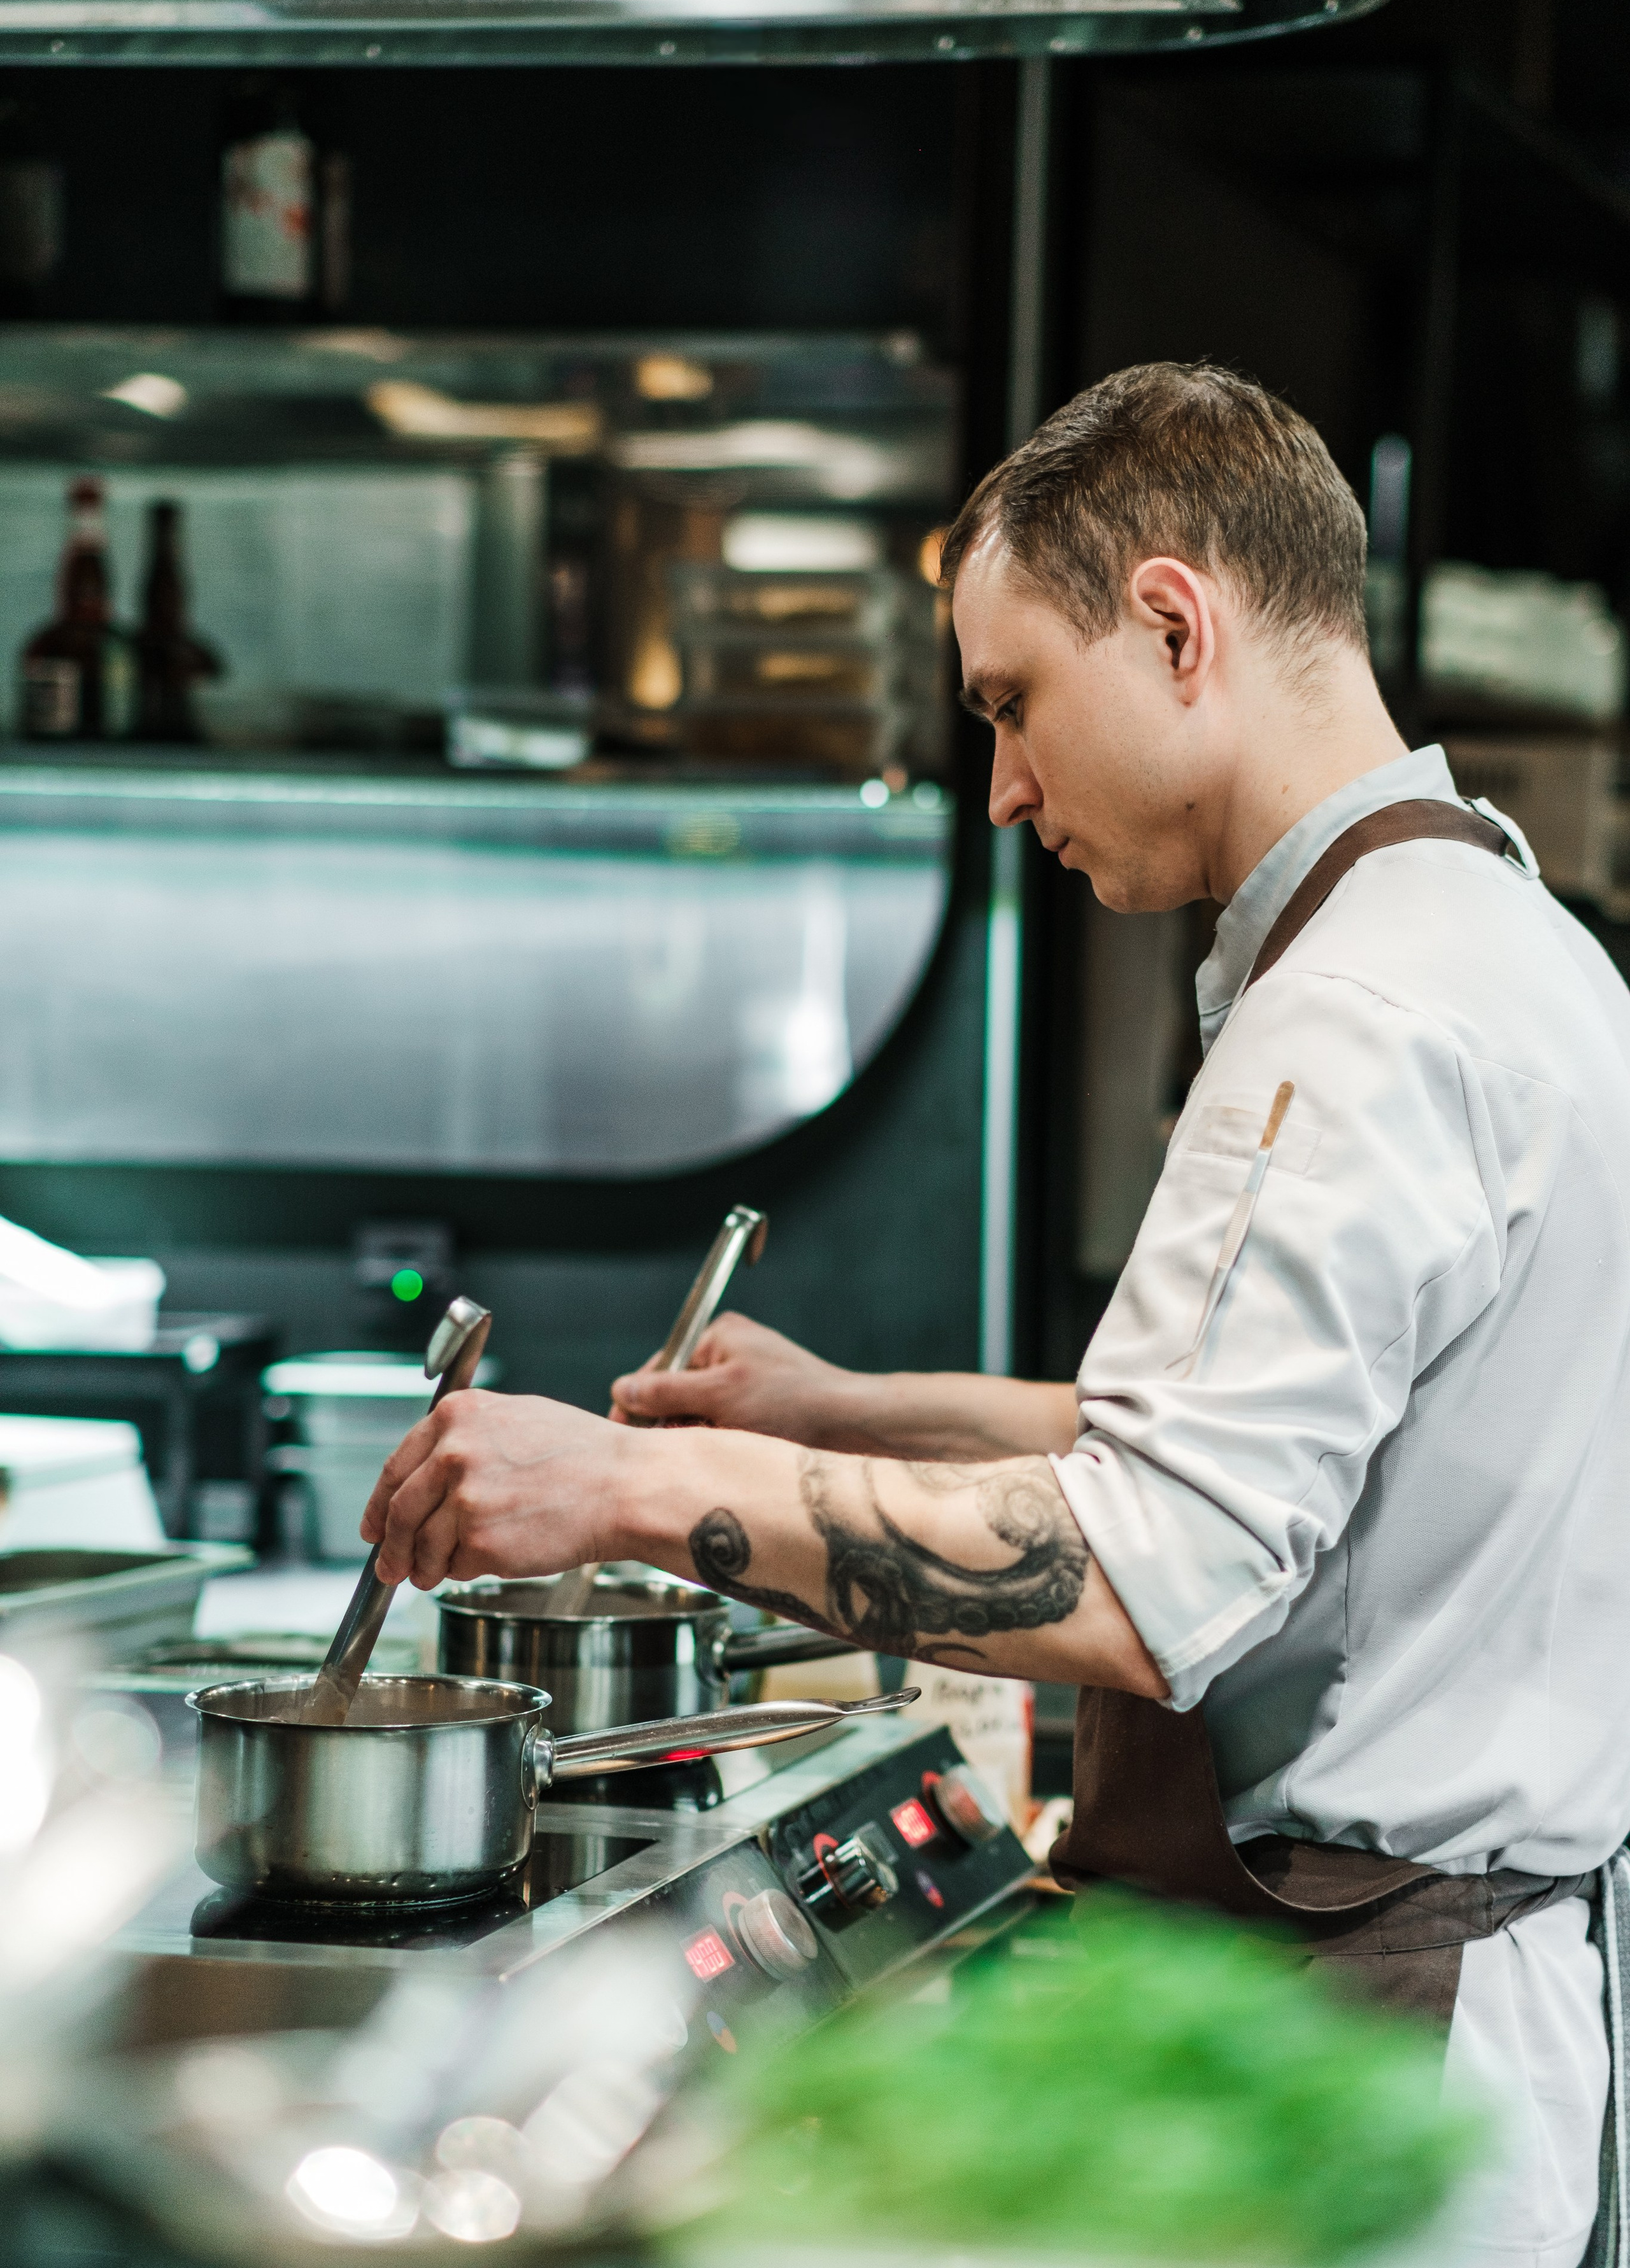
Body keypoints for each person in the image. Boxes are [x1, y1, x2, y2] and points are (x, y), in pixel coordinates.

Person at [364, 363, 1630, 2267]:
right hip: (1437, 2009)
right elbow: (1273, 1457)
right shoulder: (1502, 936)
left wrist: (633, 1492)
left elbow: (1143, 1570)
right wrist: (843, 1415)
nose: (1006, 787)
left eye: (1012, 702)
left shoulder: (1356, 1015)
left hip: (1372, 2031)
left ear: (1176, 625)